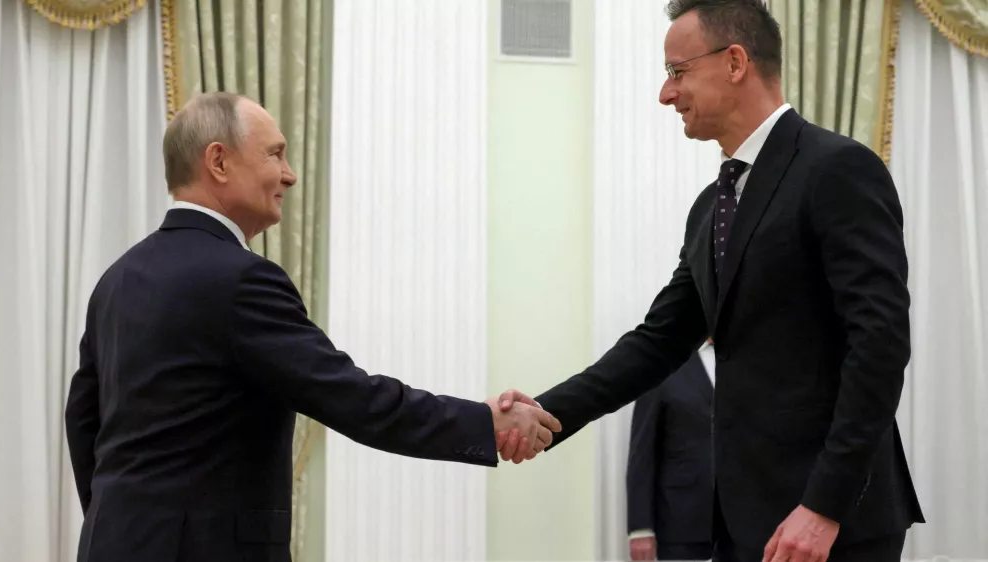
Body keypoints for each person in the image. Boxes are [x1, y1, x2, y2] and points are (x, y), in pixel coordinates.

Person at [498, 1, 925, 560]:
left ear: (735, 62)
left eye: (677, 71)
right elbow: (659, 341)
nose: (665, 93)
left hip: (829, 525)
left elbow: (880, 346)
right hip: (740, 524)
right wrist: (547, 413)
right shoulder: (711, 206)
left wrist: (825, 506)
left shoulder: (838, 169)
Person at [64, 92, 559, 562]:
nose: (290, 174)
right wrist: (482, 422)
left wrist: (124, 524)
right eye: (275, 155)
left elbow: (84, 421)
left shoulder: (116, 279)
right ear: (218, 162)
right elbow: (352, 399)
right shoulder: (242, 279)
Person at [626, 342, 715, 561]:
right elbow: (642, 453)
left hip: (747, 528)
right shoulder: (662, 365)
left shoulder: (748, 362)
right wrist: (640, 529)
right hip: (681, 526)